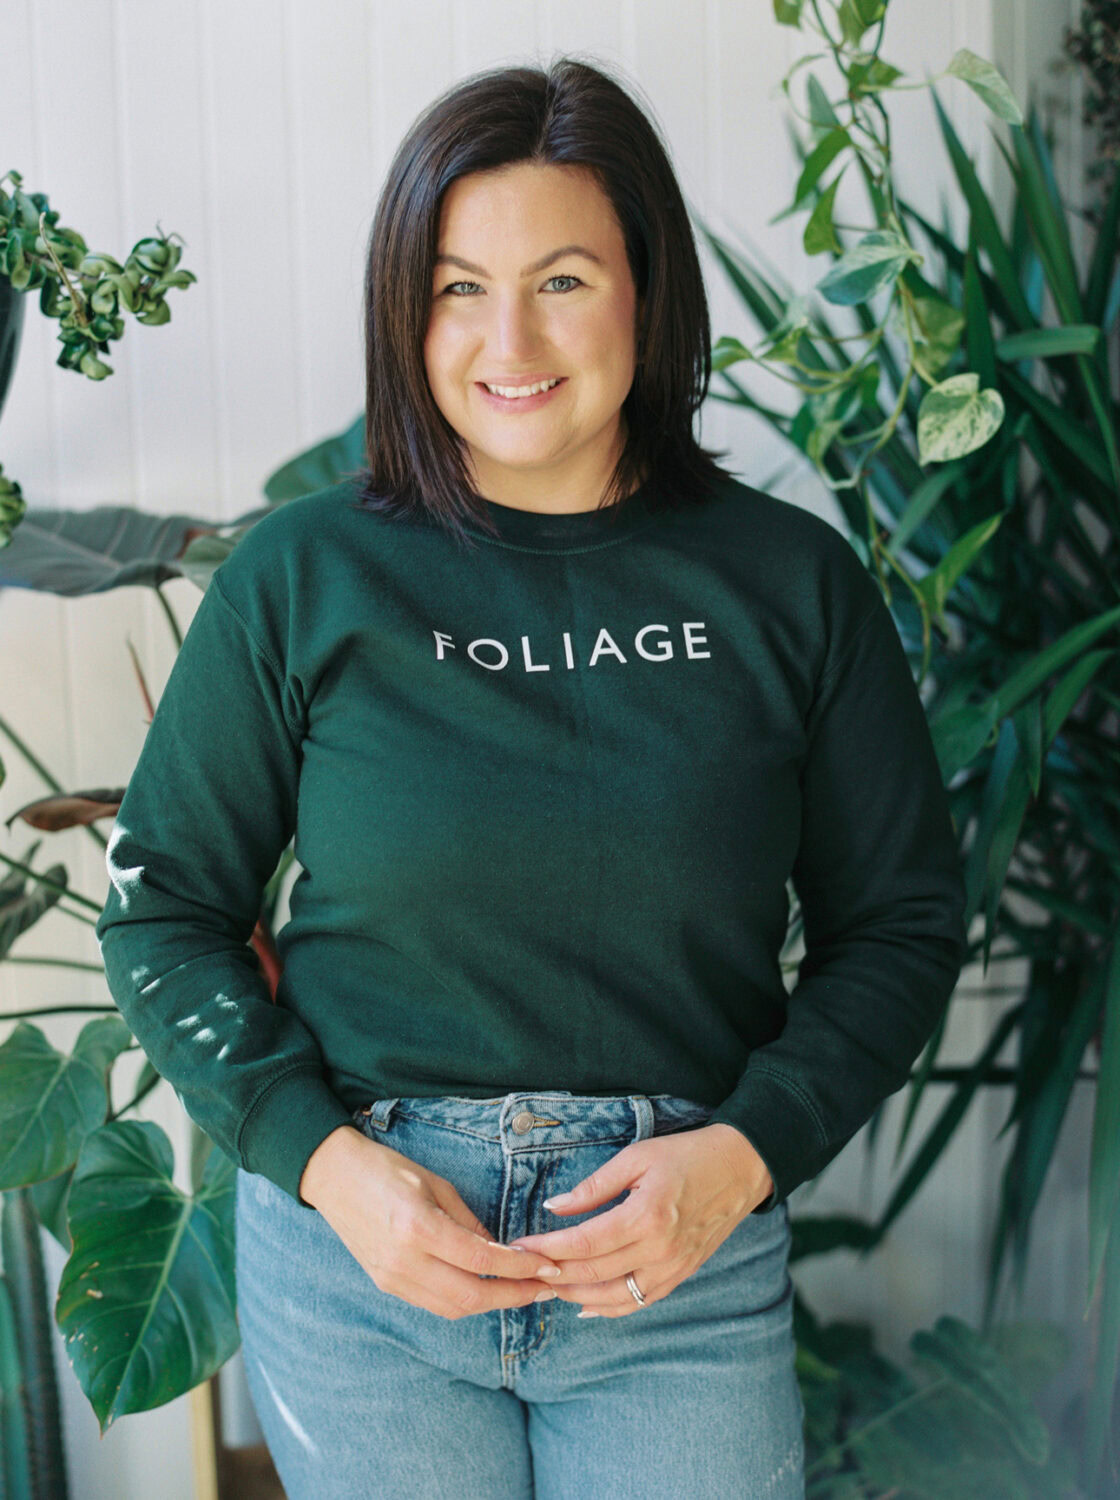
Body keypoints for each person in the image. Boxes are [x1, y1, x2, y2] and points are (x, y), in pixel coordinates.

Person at [95, 54, 969, 1500]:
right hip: (364, 1261)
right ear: (405, 310)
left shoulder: (791, 586)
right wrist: (327, 1169)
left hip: (675, 1256)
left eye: (563, 278)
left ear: (648, 292)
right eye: (456, 286)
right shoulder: (303, 578)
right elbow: (162, 907)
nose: (510, 336)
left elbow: (903, 925)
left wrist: (747, 1155)